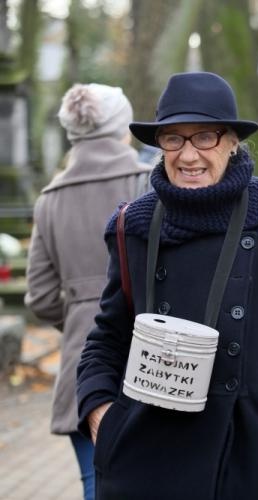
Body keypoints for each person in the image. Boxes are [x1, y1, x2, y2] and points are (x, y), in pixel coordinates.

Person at [75, 72, 258, 499]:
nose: (188, 155)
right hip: (151, 465)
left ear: (233, 141)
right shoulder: (134, 228)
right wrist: (102, 415)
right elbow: (106, 339)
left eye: (204, 137)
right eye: (173, 139)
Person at [24, 83, 152, 500]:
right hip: (153, 358)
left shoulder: (49, 199)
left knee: (97, 485)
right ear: (123, 127)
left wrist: (83, 314)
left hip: (84, 366)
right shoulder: (149, 182)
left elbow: (40, 297)